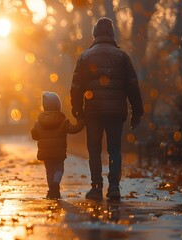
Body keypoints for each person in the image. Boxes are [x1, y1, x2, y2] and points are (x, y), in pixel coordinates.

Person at [70, 17, 143, 201]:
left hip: (93, 112)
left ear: (95, 34)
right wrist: (137, 111)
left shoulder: (85, 57)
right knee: (114, 150)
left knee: (94, 150)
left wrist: (77, 110)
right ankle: (114, 188)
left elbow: (77, 87)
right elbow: (132, 86)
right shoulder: (122, 57)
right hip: (116, 112)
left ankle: (96, 188)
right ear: (112, 34)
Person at [31, 91, 85, 199]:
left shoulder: (38, 123)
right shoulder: (63, 121)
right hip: (58, 153)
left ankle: (51, 190)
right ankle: (56, 184)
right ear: (57, 106)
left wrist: (34, 132)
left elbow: (35, 136)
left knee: (49, 170)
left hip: (45, 154)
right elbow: (74, 129)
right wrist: (81, 122)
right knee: (59, 169)